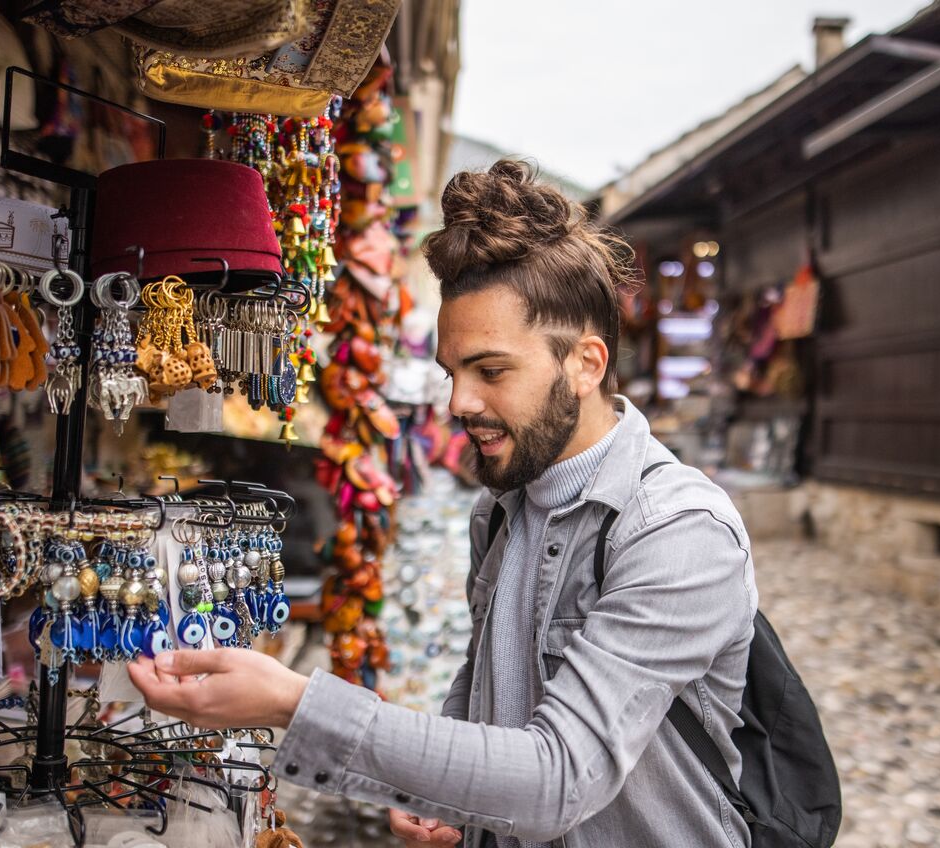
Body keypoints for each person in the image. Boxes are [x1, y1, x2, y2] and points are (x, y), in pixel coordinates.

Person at [129, 160, 759, 848]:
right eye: (453, 374)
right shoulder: (501, 508)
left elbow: (558, 779)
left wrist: (293, 701)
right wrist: (447, 800)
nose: (459, 403)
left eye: (491, 371)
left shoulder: (678, 532)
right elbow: (485, 678)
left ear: (585, 363)